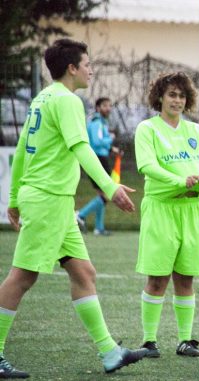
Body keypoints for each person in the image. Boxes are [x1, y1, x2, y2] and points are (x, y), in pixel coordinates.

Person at [3, 38, 146, 377]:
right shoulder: (67, 101)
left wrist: (13, 199)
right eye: (87, 63)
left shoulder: (42, 98)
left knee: (84, 273)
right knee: (22, 277)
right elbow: (81, 148)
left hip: (52, 202)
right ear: (72, 68)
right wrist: (109, 188)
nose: (91, 69)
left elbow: (23, 151)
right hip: (47, 200)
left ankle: (110, 353)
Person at [134, 72, 199, 358]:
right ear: (160, 97)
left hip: (192, 210)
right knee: (157, 278)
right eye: (172, 94)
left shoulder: (195, 131)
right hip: (161, 209)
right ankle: (148, 341)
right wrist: (179, 181)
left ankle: (185, 340)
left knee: (186, 278)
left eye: (182, 95)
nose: (177, 100)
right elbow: (146, 165)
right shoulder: (147, 129)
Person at [76, 97, 118, 235]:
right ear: (98, 108)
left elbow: (101, 143)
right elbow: (97, 141)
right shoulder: (96, 122)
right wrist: (110, 139)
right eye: (105, 105)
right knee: (106, 195)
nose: (108, 108)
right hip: (98, 160)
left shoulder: (101, 122)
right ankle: (80, 215)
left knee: (102, 194)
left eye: (109, 105)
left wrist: (112, 149)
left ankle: (98, 228)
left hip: (101, 158)